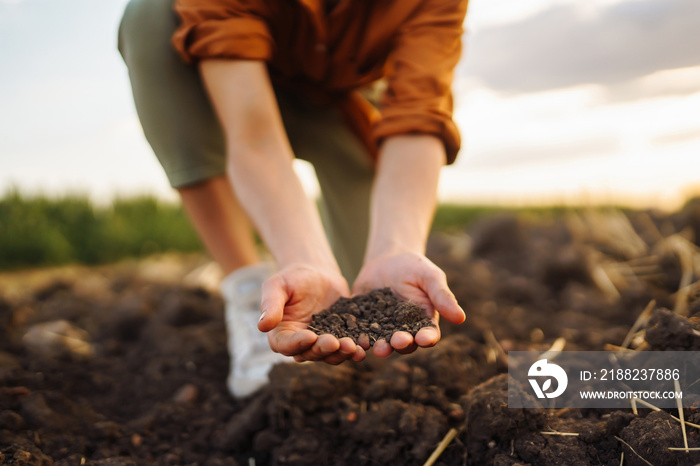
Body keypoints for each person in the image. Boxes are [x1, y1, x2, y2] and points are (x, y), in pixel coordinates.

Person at [118, 0, 468, 398]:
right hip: (237, 90)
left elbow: (418, 117)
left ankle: (350, 268)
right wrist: (304, 259)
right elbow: (254, 133)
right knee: (150, 16)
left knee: (372, 298)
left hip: (340, 100)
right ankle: (250, 292)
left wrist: (397, 246)